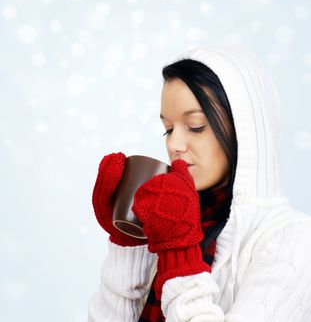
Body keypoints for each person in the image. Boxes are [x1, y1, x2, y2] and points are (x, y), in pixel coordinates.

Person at [87, 45, 311, 322]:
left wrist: (180, 255)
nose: (174, 144)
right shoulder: (172, 221)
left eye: (195, 126)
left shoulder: (295, 240)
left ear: (246, 130)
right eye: (168, 129)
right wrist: (128, 247)